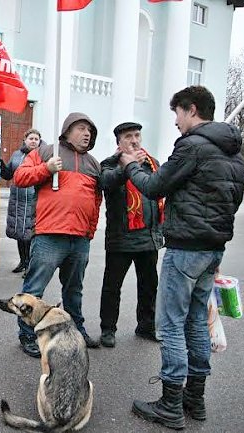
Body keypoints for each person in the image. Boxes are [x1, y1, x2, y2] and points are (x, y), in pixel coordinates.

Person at [118, 86, 244, 429]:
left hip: (185, 247)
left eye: (177, 113)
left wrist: (132, 166)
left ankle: (171, 405)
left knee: (172, 324)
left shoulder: (191, 146)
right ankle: (195, 401)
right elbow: (233, 200)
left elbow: (155, 186)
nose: (175, 121)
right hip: (212, 248)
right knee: (195, 323)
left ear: (191, 109)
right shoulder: (234, 152)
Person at [12, 113, 102, 357]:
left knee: (74, 289)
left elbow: (95, 201)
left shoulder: (93, 163)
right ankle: (27, 335)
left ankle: (76, 330)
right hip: (49, 235)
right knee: (34, 289)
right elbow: (19, 177)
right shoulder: (46, 152)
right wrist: (46, 168)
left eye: (90, 131)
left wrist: (89, 231)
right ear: (67, 131)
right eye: (82, 129)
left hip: (79, 238)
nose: (87, 134)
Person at [98, 122, 164, 348]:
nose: (135, 140)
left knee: (149, 285)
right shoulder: (110, 163)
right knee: (112, 287)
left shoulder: (153, 164)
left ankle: (146, 325)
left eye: (137, 135)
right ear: (119, 142)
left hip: (148, 237)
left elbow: (159, 192)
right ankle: (108, 329)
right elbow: (106, 182)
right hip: (120, 239)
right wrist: (128, 166)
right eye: (128, 137)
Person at [0, 128, 43, 276]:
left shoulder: (43, 155)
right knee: (19, 233)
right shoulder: (17, 155)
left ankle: (30, 265)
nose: (33, 141)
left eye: (36, 139)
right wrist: (0, 164)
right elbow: (8, 175)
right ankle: (22, 261)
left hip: (33, 199)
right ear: (25, 140)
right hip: (17, 199)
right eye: (31, 138)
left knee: (30, 234)